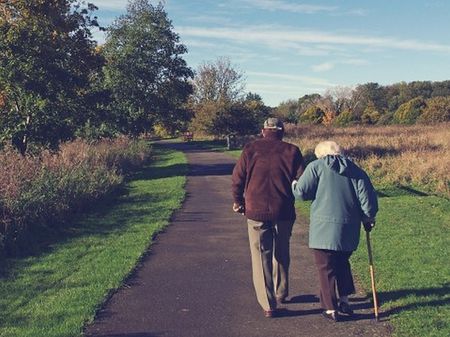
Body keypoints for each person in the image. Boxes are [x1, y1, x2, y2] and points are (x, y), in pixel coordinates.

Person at [292, 140, 378, 322]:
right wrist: (368, 218)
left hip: (323, 229)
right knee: (342, 263)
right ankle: (345, 300)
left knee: (325, 267)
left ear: (321, 154)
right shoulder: (356, 170)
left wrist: (293, 184)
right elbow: (367, 202)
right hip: (349, 228)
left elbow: (301, 193)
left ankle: (330, 308)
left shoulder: (316, 167)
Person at [231, 117, 305, 318]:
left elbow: (237, 177)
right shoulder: (292, 151)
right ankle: (281, 292)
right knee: (282, 251)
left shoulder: (250, 149)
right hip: (284, 210)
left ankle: (268, 303)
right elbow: (301, 181)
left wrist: (238, 201)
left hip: (256, 210)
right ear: (282, 131)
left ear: (263, 130)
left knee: (260, 255)